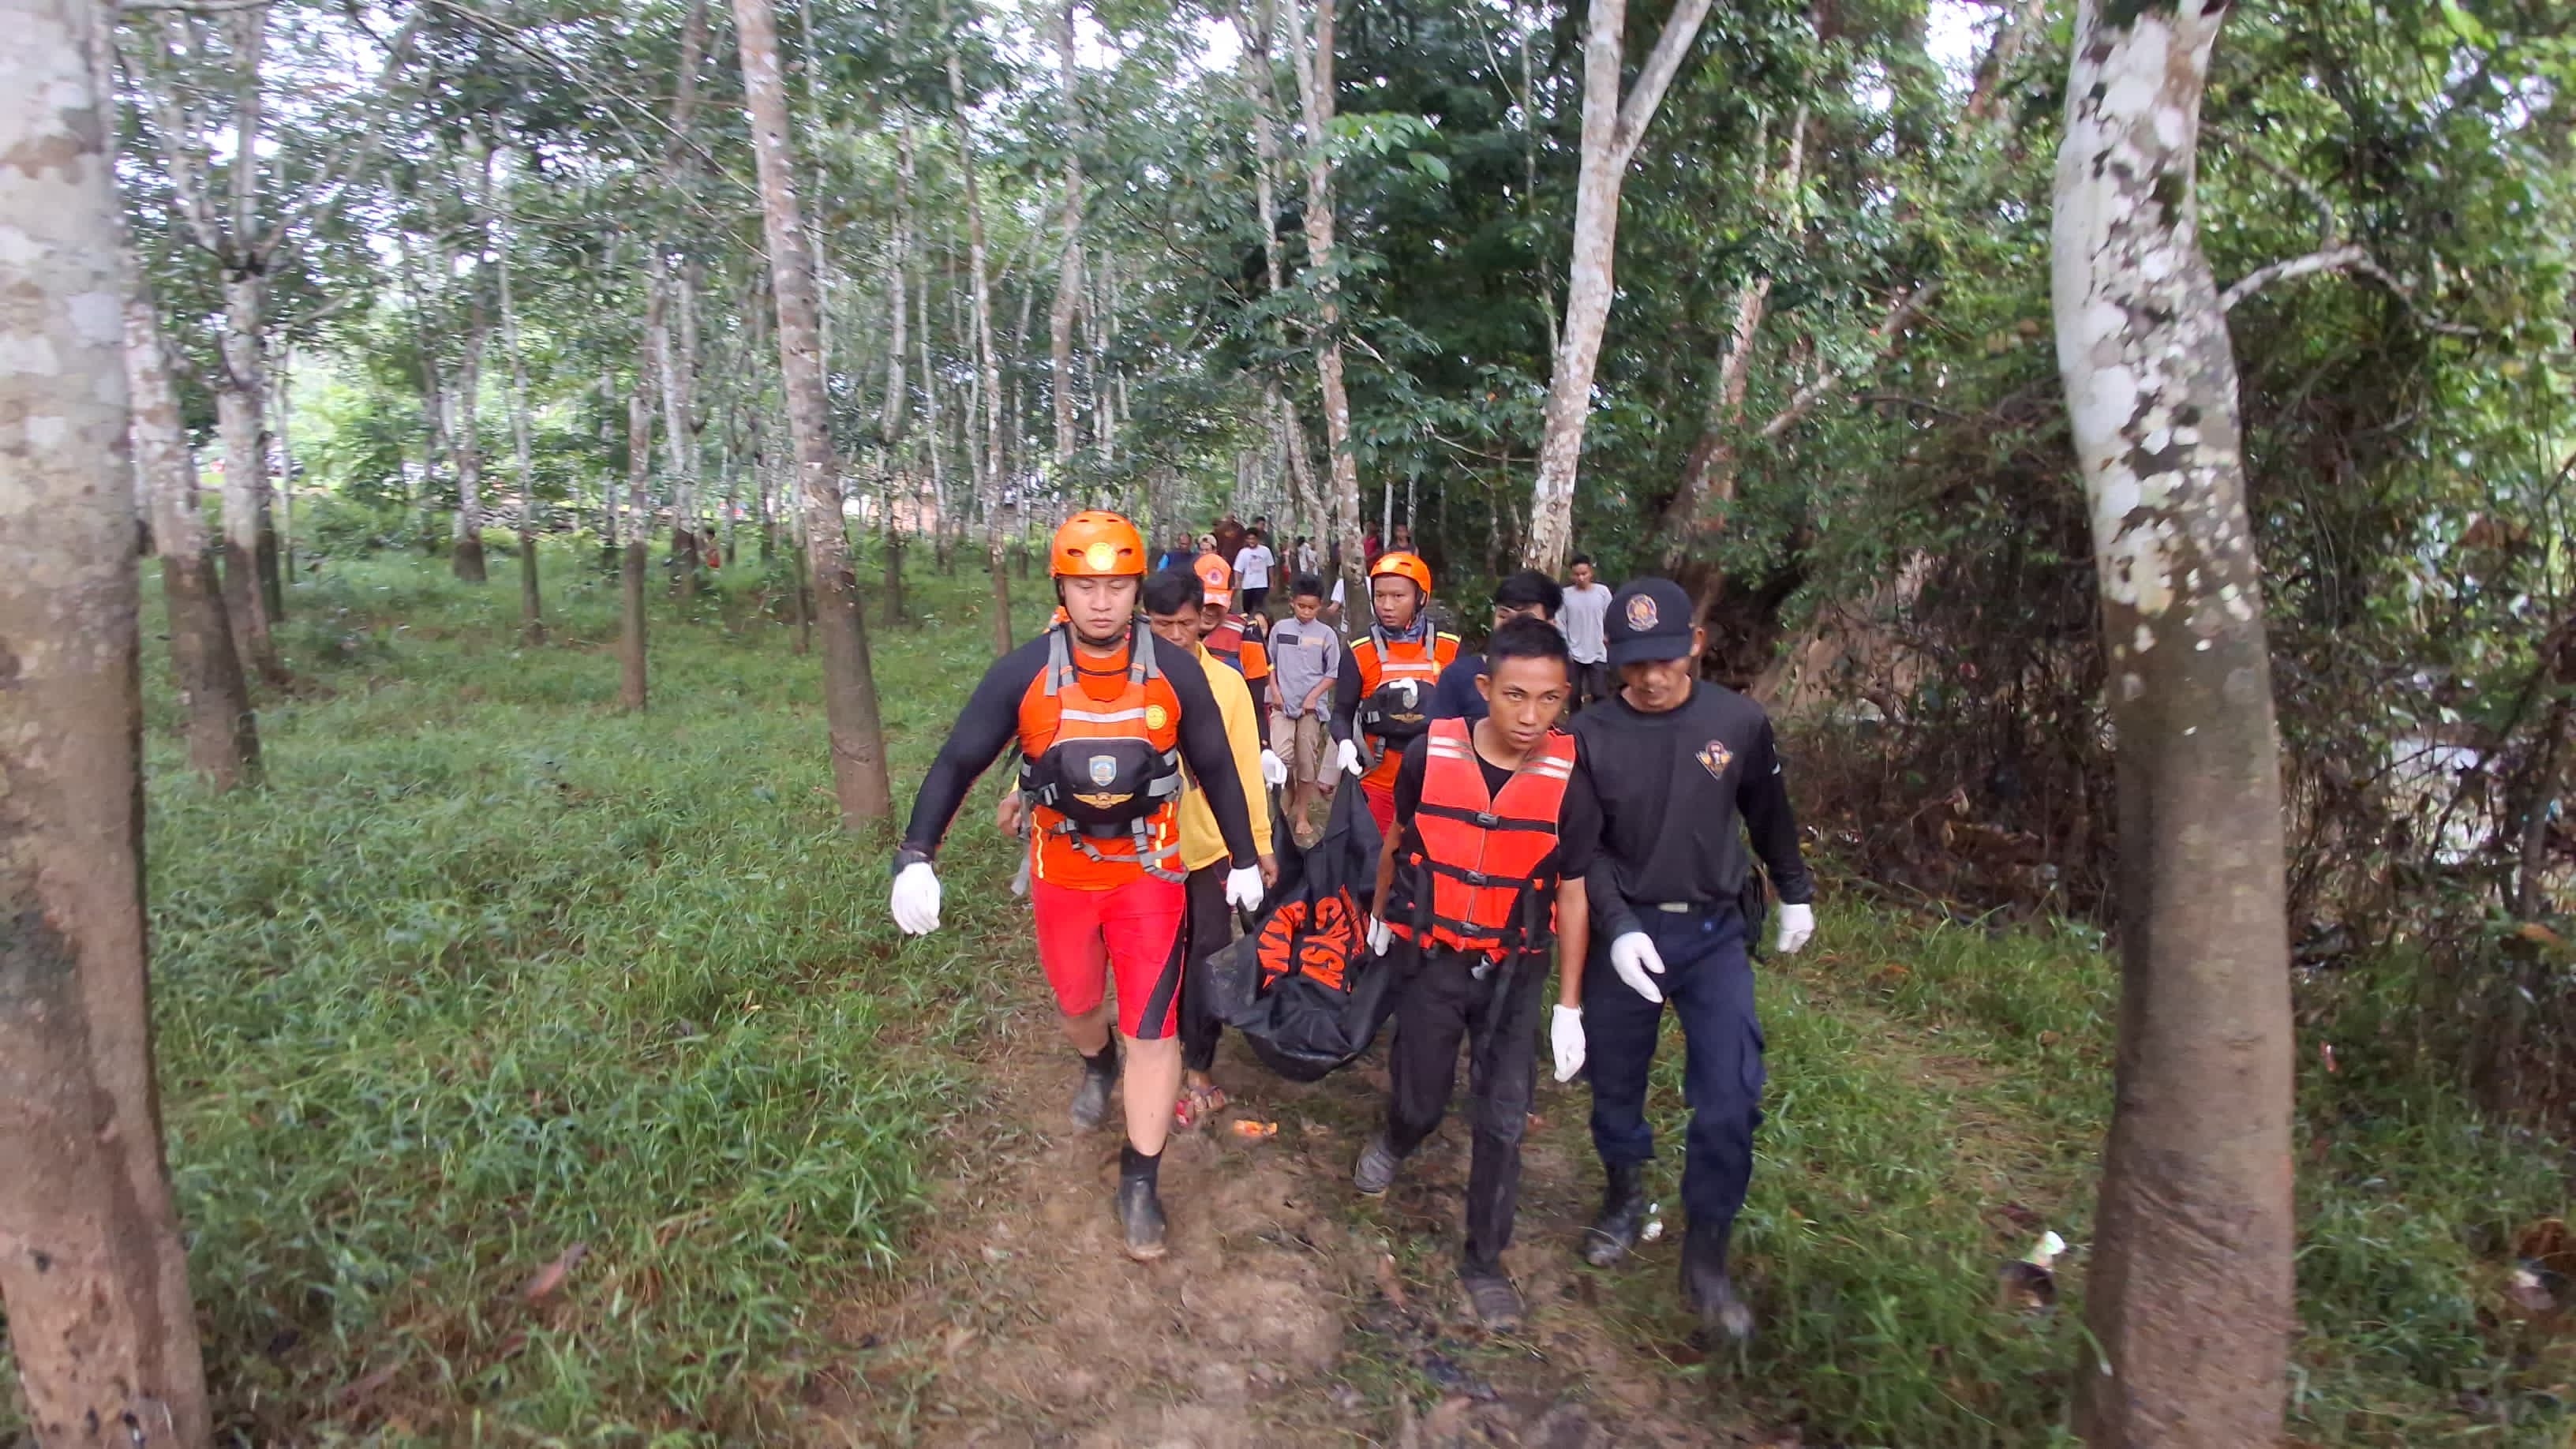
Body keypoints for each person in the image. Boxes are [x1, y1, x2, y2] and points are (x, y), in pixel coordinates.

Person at [889, 511, 1267, 1261]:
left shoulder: (1175, 669)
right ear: (1062, 586)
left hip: (1149, 877)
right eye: (1086, 585)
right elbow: (957, 760)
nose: (1102, 601)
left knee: (1153, 1031)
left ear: (1135, 589)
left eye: (1116, 585)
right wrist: (915, 853)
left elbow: (1218, 766)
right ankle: (1095, 1064)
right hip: (1061, 874)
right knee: (1078, 1005)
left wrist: (1246, 856)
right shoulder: (1025, 671)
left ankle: (1140, 1178)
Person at [1567, 576, 1817, 1339]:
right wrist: (1619, 925)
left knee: (1732, 1091)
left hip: (1713, 934)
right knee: (1616, 1078)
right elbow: (1583, 852)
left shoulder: (1738, 722)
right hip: (1627, 933)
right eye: (1634, 663)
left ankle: (1707, 1252)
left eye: (1666, 659)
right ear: (1612, 659)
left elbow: (1768, 813)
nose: (1651, 677)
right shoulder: (1588, 733)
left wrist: (1796, 890)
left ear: (1696, 648)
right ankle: (1623, 1192)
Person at [1353, 618, 1597, 1330]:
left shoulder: (1573, 779)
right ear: (1485, 689)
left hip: (1516, 965)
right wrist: (1376, 915)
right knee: (1423, 1097)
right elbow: (1400, 839)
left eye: (1550, 701)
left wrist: (1570, 1005)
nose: (1531, 717)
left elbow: (1575, 890)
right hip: (1433, 955)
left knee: (1502, 1116)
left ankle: (1485, 1260)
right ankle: (1398, 1136)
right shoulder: (1431, 752)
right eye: (1516, 696)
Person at [1133, 569, 1279, 1132]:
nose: (1175, 636)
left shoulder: (1227, 684)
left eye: (1186, 625)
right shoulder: (1126, 680)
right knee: (1157, 959)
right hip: (1144, 850)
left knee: (1211, 955)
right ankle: (1155, 1064)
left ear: (1205, 622)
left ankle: (1198, 1067)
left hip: (1211, 846)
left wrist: (1258, 846)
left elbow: (1243, 768)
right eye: (1163, 624)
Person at [1329, 551, 1460, 838]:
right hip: (1377, 778)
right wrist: (1344, 743)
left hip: (1437, 779)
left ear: (1420, 597)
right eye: (1379, 596)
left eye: (1398, 596)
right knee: (1372, 863)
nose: (1386, 606)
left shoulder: (1450, 648)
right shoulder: (1359, 651)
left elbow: (1471, 715)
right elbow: (1341, 712)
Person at [1429, 570, 1565, 725]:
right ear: (1485, 687)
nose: (1511, 626)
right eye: (1504, 616)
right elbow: (1435, 738)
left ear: (1551, 624)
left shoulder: (1556, 677)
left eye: (1526, 619)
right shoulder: (1459, 675)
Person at [1267, 574, 1342, 844]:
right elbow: (1269, 664)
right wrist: (1274, 692)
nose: (1306, 612)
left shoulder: (1327, 635)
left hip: (1312, 710)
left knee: (1307, 762)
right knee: (1281, 756)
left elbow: (1333, 673)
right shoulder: (1280, 630)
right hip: (1282, 704)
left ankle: (1301, 815)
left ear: (1320, 606)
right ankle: (1286, 797)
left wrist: (1314, 696)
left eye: (1311, 607)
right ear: (1292, 603)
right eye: (1301, 606)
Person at [1192, 552, 1276, 719]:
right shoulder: (1170, 632)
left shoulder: (1248, 635)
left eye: (1217, 605)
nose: (1210, 611)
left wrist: (1263, 743)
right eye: (1205, 603)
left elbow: (1257, 705)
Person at [1559, 555, 1613, 711]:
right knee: (1574, 694)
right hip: (1573, 653)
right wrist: (1565, 648)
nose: (1581, 578)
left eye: (1584, 573)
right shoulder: (1565, 595)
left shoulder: (1602, 592)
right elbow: (1561, 623)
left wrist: (1608, 635)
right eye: (1577, 574)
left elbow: (1610, 616)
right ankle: (1575, 727)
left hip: (1597, 651)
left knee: (1599, 693)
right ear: (1571, 575)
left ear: (1591, 573)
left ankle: (1599, 725)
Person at [1233, 527, 1277, 619]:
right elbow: (1238, 569)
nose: (1251, 541)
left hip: (1261, 585)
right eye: (1249, 539)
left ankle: (1261, 625)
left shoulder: (1265, 551)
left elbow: (1270, 566)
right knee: (1247, 609)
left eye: (1253, 539)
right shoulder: (1243, 552)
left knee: (1259, 608)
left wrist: (1272, 582)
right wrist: (1238, 582)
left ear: (1258, 539)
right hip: (1247, 585)